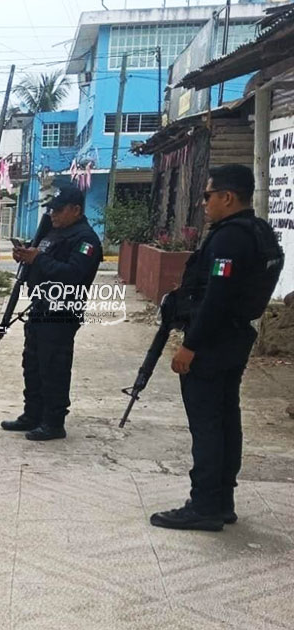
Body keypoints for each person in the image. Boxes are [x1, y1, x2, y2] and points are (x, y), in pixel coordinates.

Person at [151, 164, 284, 531]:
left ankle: (205, 504)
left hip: (212, 342)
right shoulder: (259, 232)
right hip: (236, 338)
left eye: (208, 195)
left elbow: (217, 299)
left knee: (208, 424)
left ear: (227, 196)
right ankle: (222, 499)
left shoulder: (229, 238)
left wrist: (189, 346)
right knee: (226, 420)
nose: (204, 202)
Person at [0, 184, 102, 441]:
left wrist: (38, 259)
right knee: (33, 364)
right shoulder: (53, 233)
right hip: (40, 307)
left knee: (53, 367)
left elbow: (73, 276)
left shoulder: (85, 240)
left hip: (61, 312)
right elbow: (42, 264)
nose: (53, 214)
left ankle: (54, 422)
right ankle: (32, 415)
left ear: (76, 210)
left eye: (58, 210)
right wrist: (26, 256)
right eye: (51, 210)